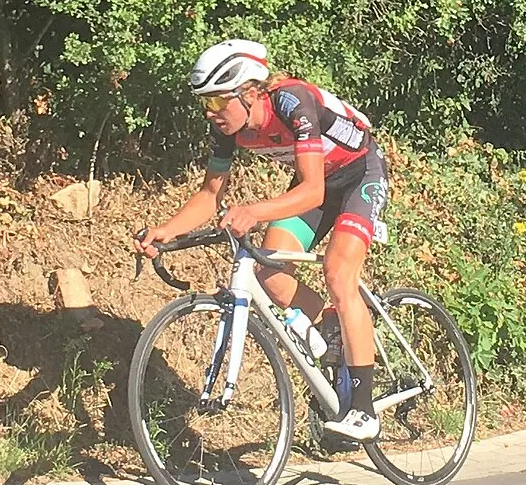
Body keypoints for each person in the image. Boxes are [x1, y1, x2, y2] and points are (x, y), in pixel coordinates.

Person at [134, 39, 390, 442]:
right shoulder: (229, 128)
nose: (211, 113)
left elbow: (312, 192)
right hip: (317, 182)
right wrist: (167, 229)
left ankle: (363, 409)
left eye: (218, 102)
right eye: (205, 103)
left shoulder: (292, 102)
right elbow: (209, 195)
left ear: (250, 93)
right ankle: (331, 325)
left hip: (360, 174)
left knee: (339, 272)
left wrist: (253, 210)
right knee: (271, 272)